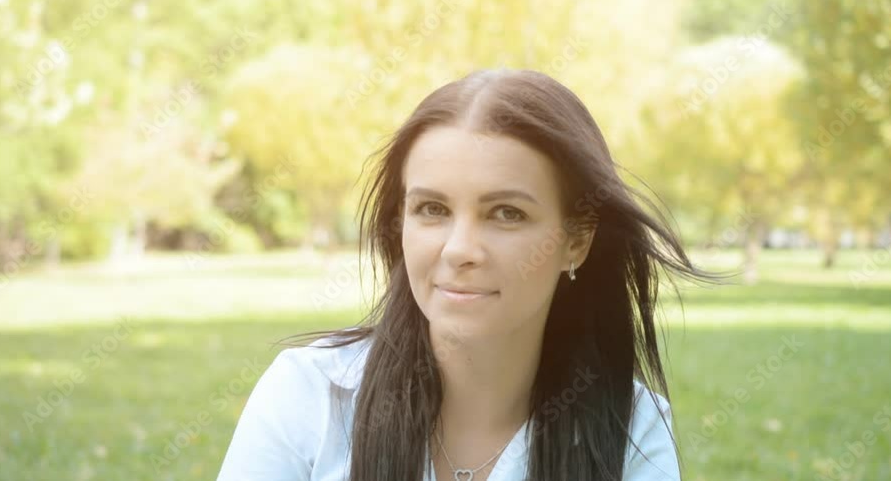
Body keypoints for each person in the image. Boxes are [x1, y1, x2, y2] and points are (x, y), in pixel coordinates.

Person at [216, 68, 716, 480]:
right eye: (432, 209)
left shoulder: (633, 430)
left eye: (506, 213)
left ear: (577, 241)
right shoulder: (309, 397)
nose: (460, 250)